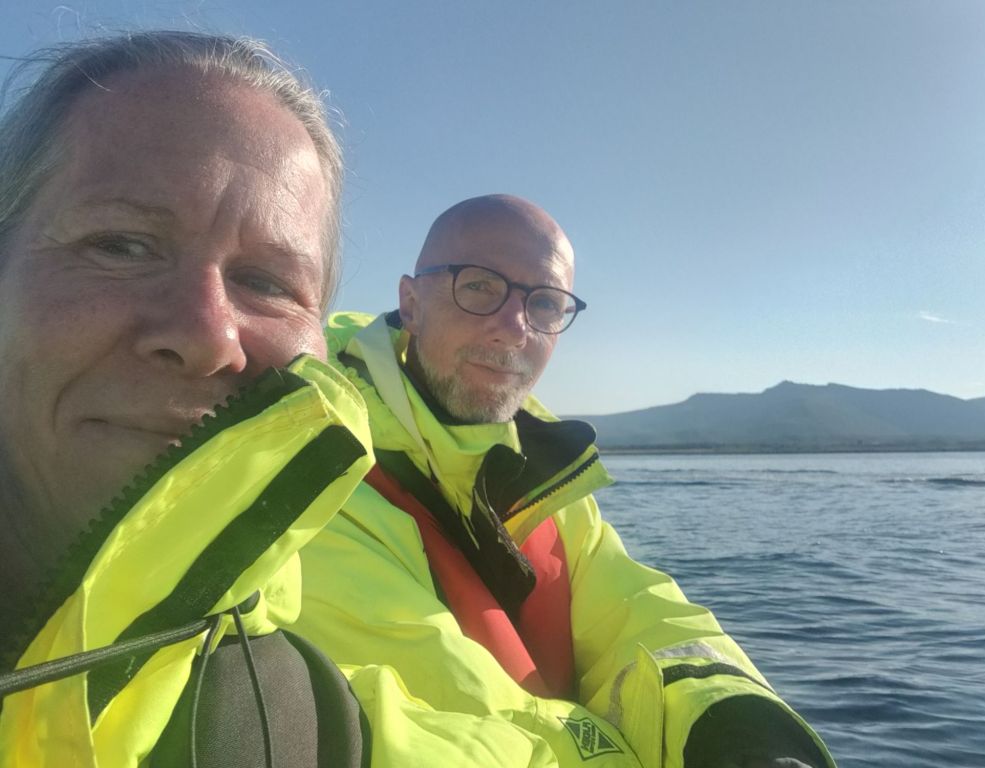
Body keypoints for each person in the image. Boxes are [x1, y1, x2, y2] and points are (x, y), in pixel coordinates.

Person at [0, 36, 565, 768]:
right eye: (121, 244)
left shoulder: (299, 717)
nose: (208, 337)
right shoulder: (338, 495)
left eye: (266, 282)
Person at [296, 194, 837, 767]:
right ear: (411, 304)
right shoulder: (312, 462)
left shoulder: (541, 474)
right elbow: (429, 720)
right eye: (478, 286)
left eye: (546, 303)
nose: (514, 329)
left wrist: (739, 735)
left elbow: (634, 614)